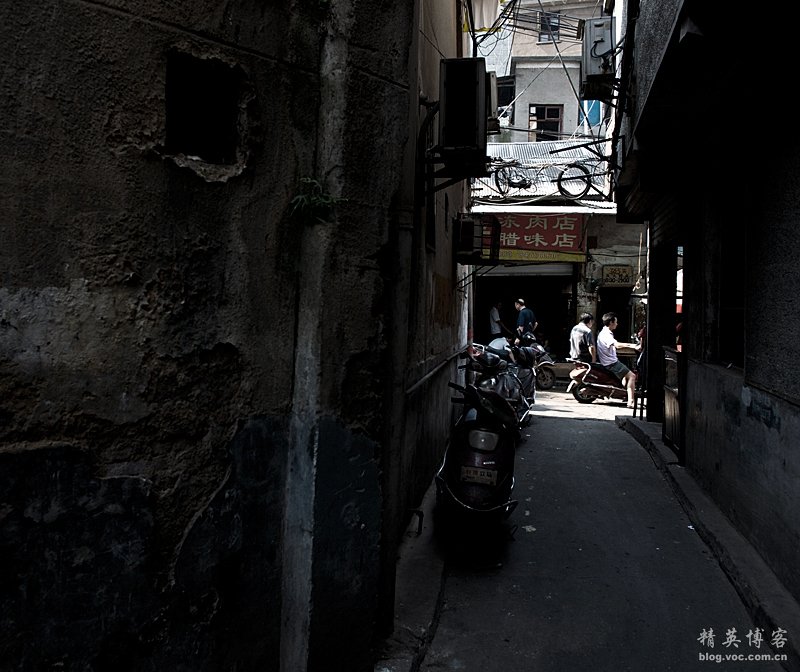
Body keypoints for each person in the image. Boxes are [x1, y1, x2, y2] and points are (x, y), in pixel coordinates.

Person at [596, 311, 639, 408]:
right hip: (611, 363)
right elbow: (617, 345)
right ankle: (631, 402)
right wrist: (633, 346)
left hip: (609, 361)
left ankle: (624, 395)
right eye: (615, 322)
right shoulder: (606, 334)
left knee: (625, 377)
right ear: (611, 322)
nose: (617, 324)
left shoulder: (604, 333)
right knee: (632, 376)